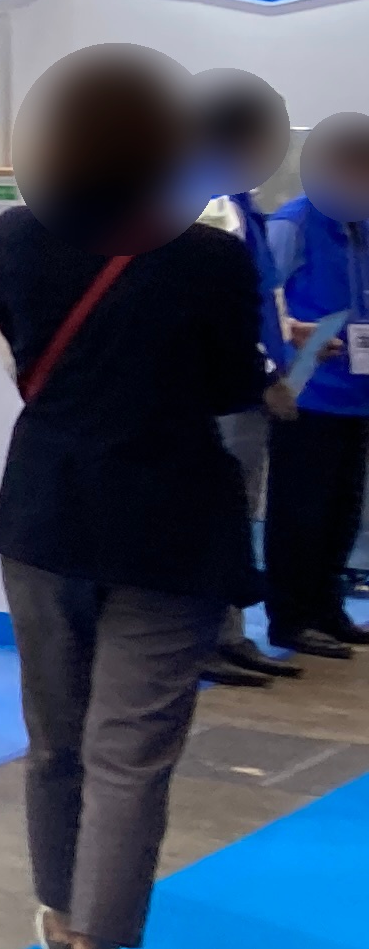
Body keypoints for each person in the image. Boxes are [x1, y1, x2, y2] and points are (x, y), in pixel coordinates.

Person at [0, 44, 266, 949]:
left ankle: (63, 923)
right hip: (168, 524)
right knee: (130, 757)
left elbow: (24, 348)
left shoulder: (16, 237)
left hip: (43, 515)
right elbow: (232, 389)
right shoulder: (208, 260)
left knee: (56, 740)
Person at [190, 67, 307, 684]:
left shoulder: (239, 202)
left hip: (249, 382)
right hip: (223, 390)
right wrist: (264, 374)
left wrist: (288, 340)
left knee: (239, 510)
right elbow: (219, 310)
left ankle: (229, 630)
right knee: (218, 510)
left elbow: (261, 294)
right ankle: (204, 635)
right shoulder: (205, 203)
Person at [262, 110, 369, 662]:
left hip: (356, 392)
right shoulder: (293, 223)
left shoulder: (360, 225)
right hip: (308, 390)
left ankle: (329, 608)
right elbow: (261, 300)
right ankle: (292, 617)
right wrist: (292, 337)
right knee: (299, 509)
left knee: (342, 509)